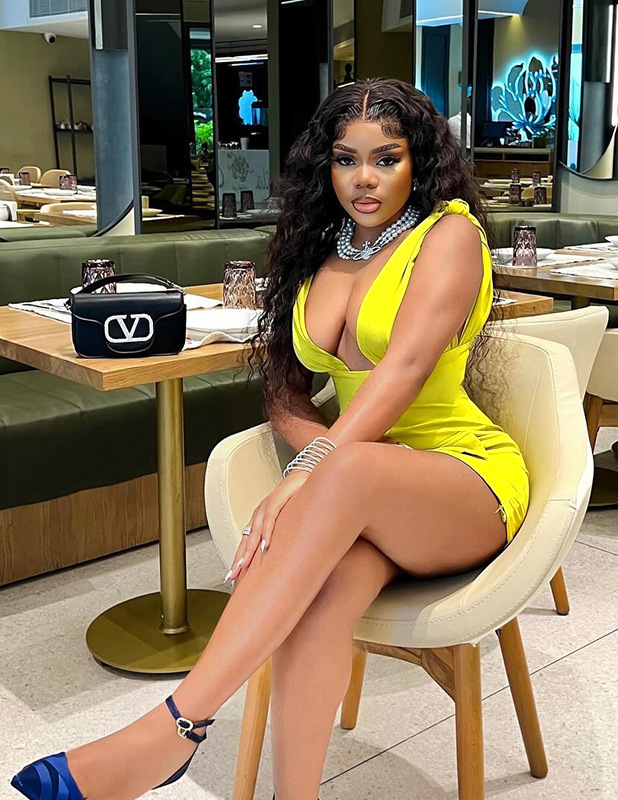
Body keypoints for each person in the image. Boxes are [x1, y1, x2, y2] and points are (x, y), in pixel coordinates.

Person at [11, 77, 530, 800]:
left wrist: (310, 471)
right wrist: (324, 463)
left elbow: (405, 372)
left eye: (386, 158)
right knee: (323, 599)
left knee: (349, 472)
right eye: (346, 159)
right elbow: (284, 394)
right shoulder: (320, 249)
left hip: (463, 478)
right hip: (365, 487)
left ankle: (174, 728)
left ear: (419, 161)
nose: (365, 178)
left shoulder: (449, 234)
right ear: (326, 165)